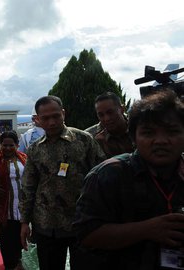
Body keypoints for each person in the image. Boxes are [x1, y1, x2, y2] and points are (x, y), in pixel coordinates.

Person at [74, 91, 184, 269]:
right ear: (134, 137)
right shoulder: (107, 175)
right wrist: (147, 229)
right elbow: (86, 233)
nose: (161, 141)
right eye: (148, 133)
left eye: (172, 131)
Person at [19, 95, 105, 270]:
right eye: (45, 118)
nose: (51, 122)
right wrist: (24, 222)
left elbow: (101, 176)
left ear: (63, 114)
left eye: (56, 116)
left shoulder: (84, 140)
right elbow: (28, 187)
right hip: (46, 224)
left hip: (81, 222)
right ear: (37, 120)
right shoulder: (35, 149)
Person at [0, 130, 27, 270]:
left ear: (17, 145)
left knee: (20, 237)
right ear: (1, 144)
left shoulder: (24, 159)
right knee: (6, 238)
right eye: (5, 145)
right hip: (3, 207)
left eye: (11, 145)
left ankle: (18, 262)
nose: (7, 148)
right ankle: (10, 265)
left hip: (22, 207)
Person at [89, 92, 134, 157]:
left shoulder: (139, 126)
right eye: (101, 115)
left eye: (110, 112)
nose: (106, 118)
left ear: (122, 109)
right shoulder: (90, 138)